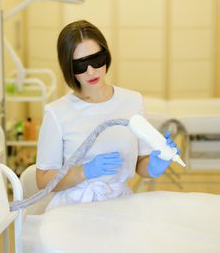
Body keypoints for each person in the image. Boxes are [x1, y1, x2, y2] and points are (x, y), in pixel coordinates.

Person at [36, 20, 176, 210]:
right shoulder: (57, 112)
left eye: (96, 60)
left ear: (106, 55)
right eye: (80, 65)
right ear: (68, 67)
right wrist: (84, 172)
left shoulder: (132, 101)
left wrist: (155, 164)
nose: (91, 71)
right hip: (74, 209)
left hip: (121, 205)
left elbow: (140, 164)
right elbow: (43, 180)